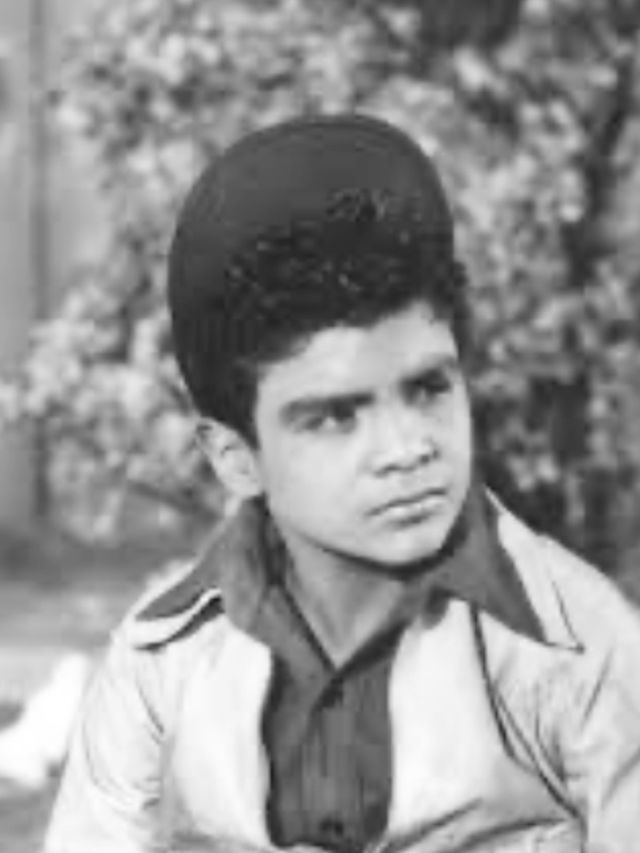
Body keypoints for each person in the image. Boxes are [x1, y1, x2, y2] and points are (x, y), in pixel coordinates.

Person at [44, 114, 640, 853]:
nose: (406, 449)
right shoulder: (158, 660)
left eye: (428, 388)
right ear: (236, 457)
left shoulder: (583, 648)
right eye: (334, 417)